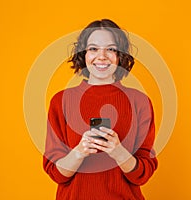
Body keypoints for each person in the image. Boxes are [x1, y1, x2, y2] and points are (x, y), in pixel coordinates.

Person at [43, 19, 158, 200]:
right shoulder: (61, 101)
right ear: (84, 53)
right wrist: (80, 151)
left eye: (111, 49)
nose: (102, 56)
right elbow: (56, 174)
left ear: (120, 55)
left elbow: (143, 174)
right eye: (93, 49)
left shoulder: (140, 102)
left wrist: (118, 151)